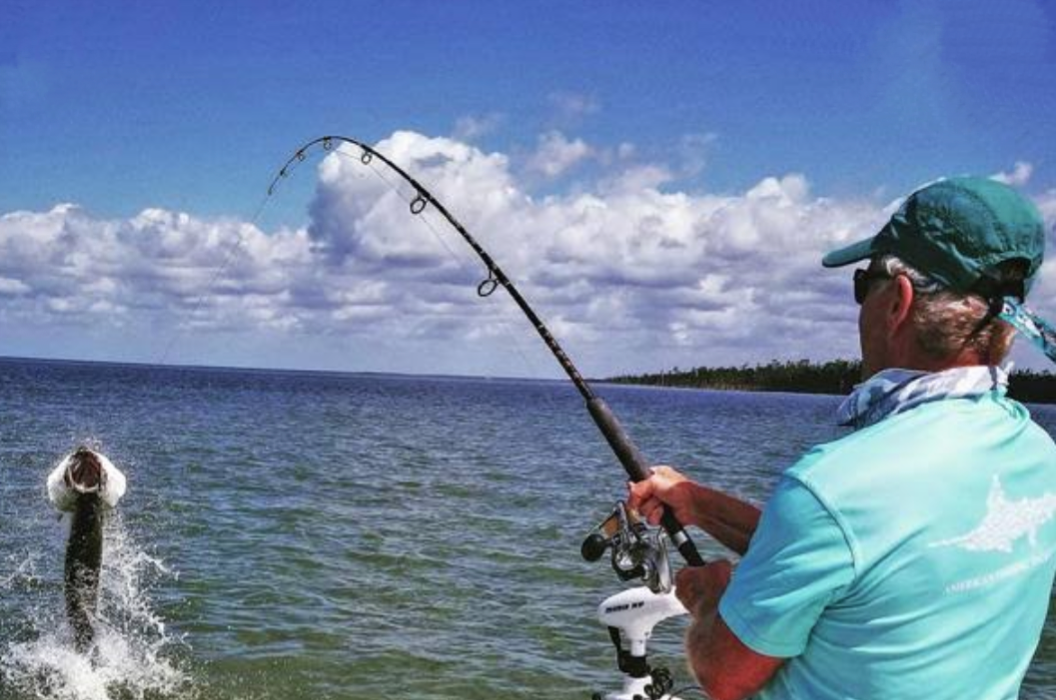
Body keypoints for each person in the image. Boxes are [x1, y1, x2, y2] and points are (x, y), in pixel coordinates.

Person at [628, 177, 1056, 700]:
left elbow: (724, 674)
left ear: (897, 302)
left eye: (863, 285)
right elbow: (864, 556)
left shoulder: (832, 486)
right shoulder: (1037, 455)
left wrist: (712, 598)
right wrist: (698, 504)